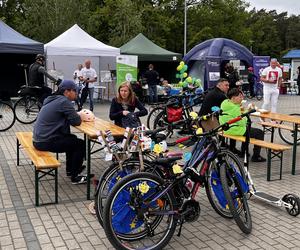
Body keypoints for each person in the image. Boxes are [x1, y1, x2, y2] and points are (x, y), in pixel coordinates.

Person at [32, 80, 88, 184]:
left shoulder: (52, 99)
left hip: (38, 139)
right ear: (67, 92)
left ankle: (71, 170)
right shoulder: (63, 101)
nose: (77, 93)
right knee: (79, 144)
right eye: (75, 91)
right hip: (45, 141)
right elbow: (76, 121)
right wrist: (80, 116)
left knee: (72, 139)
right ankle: (75, 177)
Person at [219, 88, 266, 162]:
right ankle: (256, 156)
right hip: (234, 129)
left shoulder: (225, 103)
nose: (242, 98)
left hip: (226, 128)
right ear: (233, 98)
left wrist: (247, 110)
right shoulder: (235, 108)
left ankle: (243, 152)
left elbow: (240, 115)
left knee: (249, 130)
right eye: (240, 97)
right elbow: (242, 123)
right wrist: (247, 114)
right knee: (259, 132)